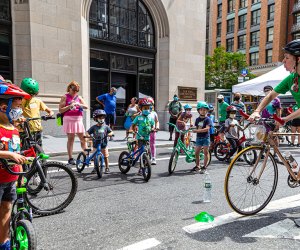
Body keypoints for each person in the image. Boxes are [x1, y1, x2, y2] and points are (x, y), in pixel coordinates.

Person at [0, 80, 29, 250]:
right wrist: (8, 154)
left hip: (11, 178)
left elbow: (17, 154)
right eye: (16, 106)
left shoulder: (14, 129)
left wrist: (21, 177)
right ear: (4, 108)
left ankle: (4, 244)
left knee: (6, 212)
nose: (19, 111)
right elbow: (11, 153)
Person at [59, 81, 88, 165]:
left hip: (78, 119)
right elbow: (60, 110)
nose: (75, 92)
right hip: (69, 119)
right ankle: (70, 158)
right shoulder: (65, 96)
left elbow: (86, 106)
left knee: (83, 139)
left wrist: (79, 104)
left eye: (77, 90)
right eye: (74, 90)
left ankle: (86, 155)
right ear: (70, 88)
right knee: (71, 139)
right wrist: (69, 106)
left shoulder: (78, 97)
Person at [19, 78, 54, 147]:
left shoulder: (37, 101)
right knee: (25, 148)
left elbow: (49, 110)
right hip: (24, 129)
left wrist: (50, 113)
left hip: (37, 129)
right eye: (29, 94)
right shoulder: (19, 101)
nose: (30, 96)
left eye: (32, 95)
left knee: (38, 148)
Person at [129, 97, 155, 175]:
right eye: (145, 108)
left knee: (148, 153)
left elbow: (153, 125)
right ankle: (141, 168)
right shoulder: (139, 117)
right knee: (141, 153)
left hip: (147, 137)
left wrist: (153, 129)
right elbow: (133, 125)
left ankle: (146, 165)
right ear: (141, 108)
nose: (146, 109)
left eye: (148, 108)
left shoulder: (150, 118)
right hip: (140, 137)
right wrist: (133, 130)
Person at [86, 109, 114, 174]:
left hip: (103, 145)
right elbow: (88, 132)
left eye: (103, 117)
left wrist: (110, 134)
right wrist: (87, 135)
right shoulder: (94, 127)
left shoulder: (106, 127)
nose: (101, 119)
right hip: (96, 144)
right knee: (95, 157)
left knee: (106, 156)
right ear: (96, 118)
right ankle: (95, 168)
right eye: (99, 117)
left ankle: (107, 168)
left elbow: (111, 131)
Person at [192, 101, 212, 174]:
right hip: (198, 138)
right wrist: (192, 128)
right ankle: (198, 166)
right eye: (201, 110)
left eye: (204, 110)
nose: (203, 111)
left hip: (206, 138)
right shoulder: (197, 119)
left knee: (205, 152)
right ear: (198, 111)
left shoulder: (208, 119)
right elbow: (196, 127)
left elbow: (207, 129)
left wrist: (197, 131)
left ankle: (205, 166)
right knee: (196, 153)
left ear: (207, 110)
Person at [148, 97, 160, 165]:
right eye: (149, 104)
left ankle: (153, 158)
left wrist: (157, 127)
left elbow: (157, 121)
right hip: (144, 132)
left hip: (152, 131)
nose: (150, 106)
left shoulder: (154, 113)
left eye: (151, 104)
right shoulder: (143, 113)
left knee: (152, 144)